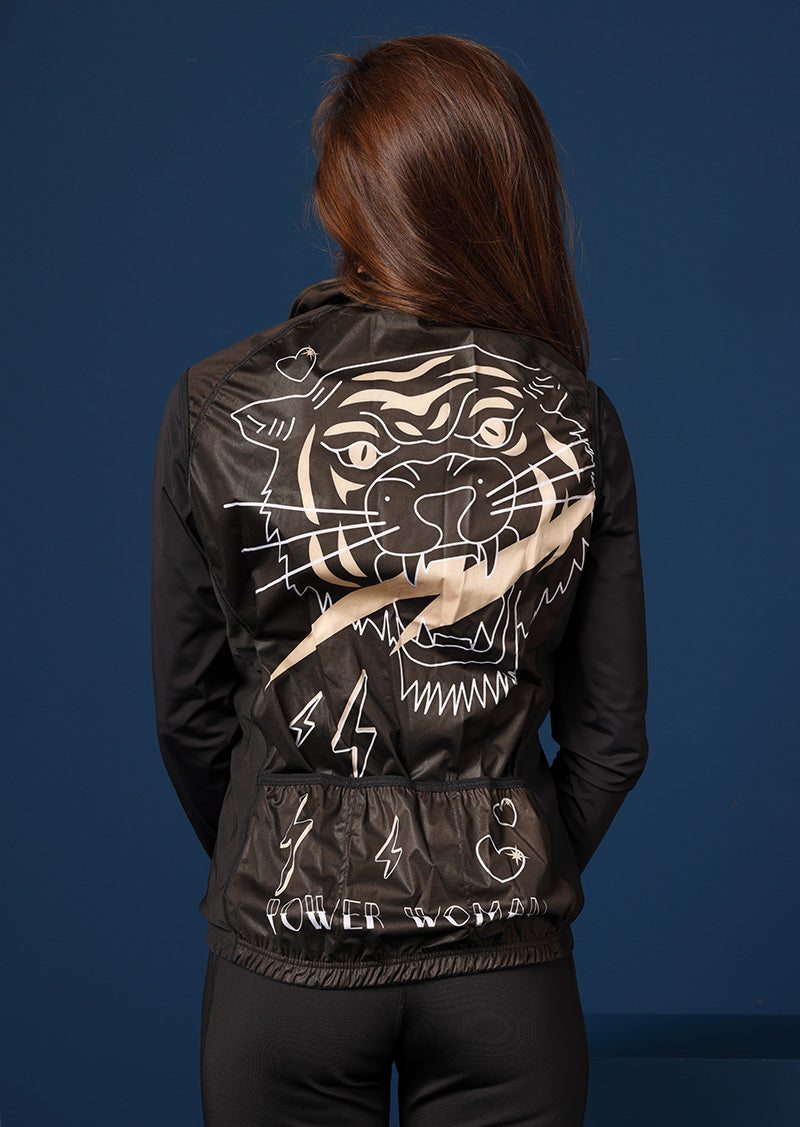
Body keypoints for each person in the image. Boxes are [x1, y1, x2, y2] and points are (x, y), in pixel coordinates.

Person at [151, 33, 648, 1127]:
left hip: (283, 964)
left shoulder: (214, 403)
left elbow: (190, 719)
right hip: (505, 972)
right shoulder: (573, 413)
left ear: (341, 196)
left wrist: (278, 843)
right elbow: (610, 737)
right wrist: (512, 852)